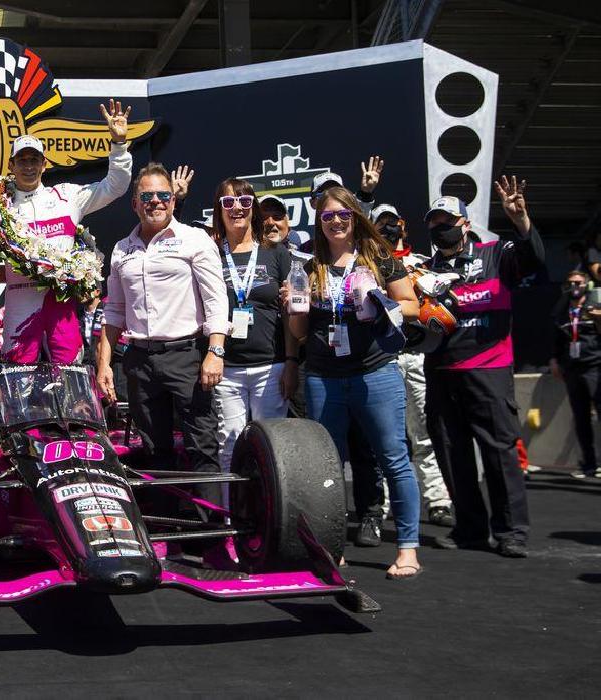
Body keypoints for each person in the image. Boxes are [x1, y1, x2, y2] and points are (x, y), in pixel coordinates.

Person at [285, 185, 422, 579]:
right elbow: (296, 331)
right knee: (327, 466)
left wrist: (378, 300)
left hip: (374, 372)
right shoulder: (309, 265)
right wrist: (295, 303)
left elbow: (412, 306)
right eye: (328, 217)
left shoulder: (377, 257)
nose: (336, 223)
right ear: (319, 222)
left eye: (343, 215)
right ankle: (332, 547)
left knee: (393, 458)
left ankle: (408, 548)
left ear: (355, 217)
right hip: (324, 377)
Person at [421, 181, 543, 558]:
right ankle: (470, 529)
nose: (441, 228)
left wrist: (521, 221)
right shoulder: (424, 270)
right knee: (452, 453)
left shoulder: (496, 254)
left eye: (447, 221)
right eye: (435, 223)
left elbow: (534, 260)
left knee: (499, 452)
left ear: (464, 223)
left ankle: (511, 532)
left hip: (489, 369)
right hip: (442, 372)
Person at [0, 99, 133, 364]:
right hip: (20, 302)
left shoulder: (66, 196)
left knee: (69, 374)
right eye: (22, 160)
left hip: (60, 303)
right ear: (11, 165)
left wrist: (119, 144)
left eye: (34, 160)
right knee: (18, 379)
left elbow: (115, 186)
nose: (28, 166)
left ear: (44, 164)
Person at [97, 163, 228, 478]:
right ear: (135, 203)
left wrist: (216, 351)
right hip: (140, 360)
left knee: (201, 448)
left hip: (187, 358)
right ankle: (166, 525)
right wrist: (103, 365)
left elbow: (216, 300)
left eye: (162, 195)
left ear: (172, 199)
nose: (155, 201)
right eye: (147, 196)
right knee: (154, 451)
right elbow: (114, 309)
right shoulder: (120, 249)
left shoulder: (195, 239)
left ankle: (212, 526)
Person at [370, 203, 455, 527]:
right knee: (386, 435)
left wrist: (424, 288)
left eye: (393, 223)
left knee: (423, 431)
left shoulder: (422, 264)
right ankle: (389, 502)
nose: (389, 230)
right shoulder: (368, 265)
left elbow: (443, 307)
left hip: (417, 356)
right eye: (382, 225)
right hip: (384, 356)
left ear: (403, 226)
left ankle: (438, 499)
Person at [209, 179, 297, 472]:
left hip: (270, 368)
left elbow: (289, 313)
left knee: (273, 451)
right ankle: (230, 518)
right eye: (228, 203)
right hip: (227, 369)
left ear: (253, 209)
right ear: (218, 210)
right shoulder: (210, 254)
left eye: (245, 202)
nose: (237, 209)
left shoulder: (276, 252)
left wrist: (291, 362)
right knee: (228, 448)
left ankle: (272, 517)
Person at [551, 269, 601, 479]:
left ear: (587, 286)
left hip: (595, 367)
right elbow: (557, 340)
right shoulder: (562, 313)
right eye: (571, 283)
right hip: (572, 370)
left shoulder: (595, 308)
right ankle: (588, 464)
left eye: (579, 283)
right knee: (581, 419)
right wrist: (553, 360)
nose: (575, 287)